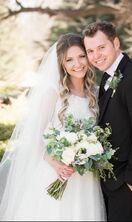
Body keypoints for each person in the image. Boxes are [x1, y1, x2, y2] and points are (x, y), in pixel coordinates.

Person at [0, 33, 106, 221]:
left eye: (81, 56)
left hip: (85, 176)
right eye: (70, 59)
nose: (78, 63)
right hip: (55, 172)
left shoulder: (96, 93)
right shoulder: (53, 93)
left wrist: (89, 152)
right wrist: (56, 164)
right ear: (62, 64)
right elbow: (38, 136)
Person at [83, 21, 132, 221]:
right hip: (110, 177)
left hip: (128, 179)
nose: (96, 55)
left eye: (101, 47)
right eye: (90, 50)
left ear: (116, 43)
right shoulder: (108, 75)